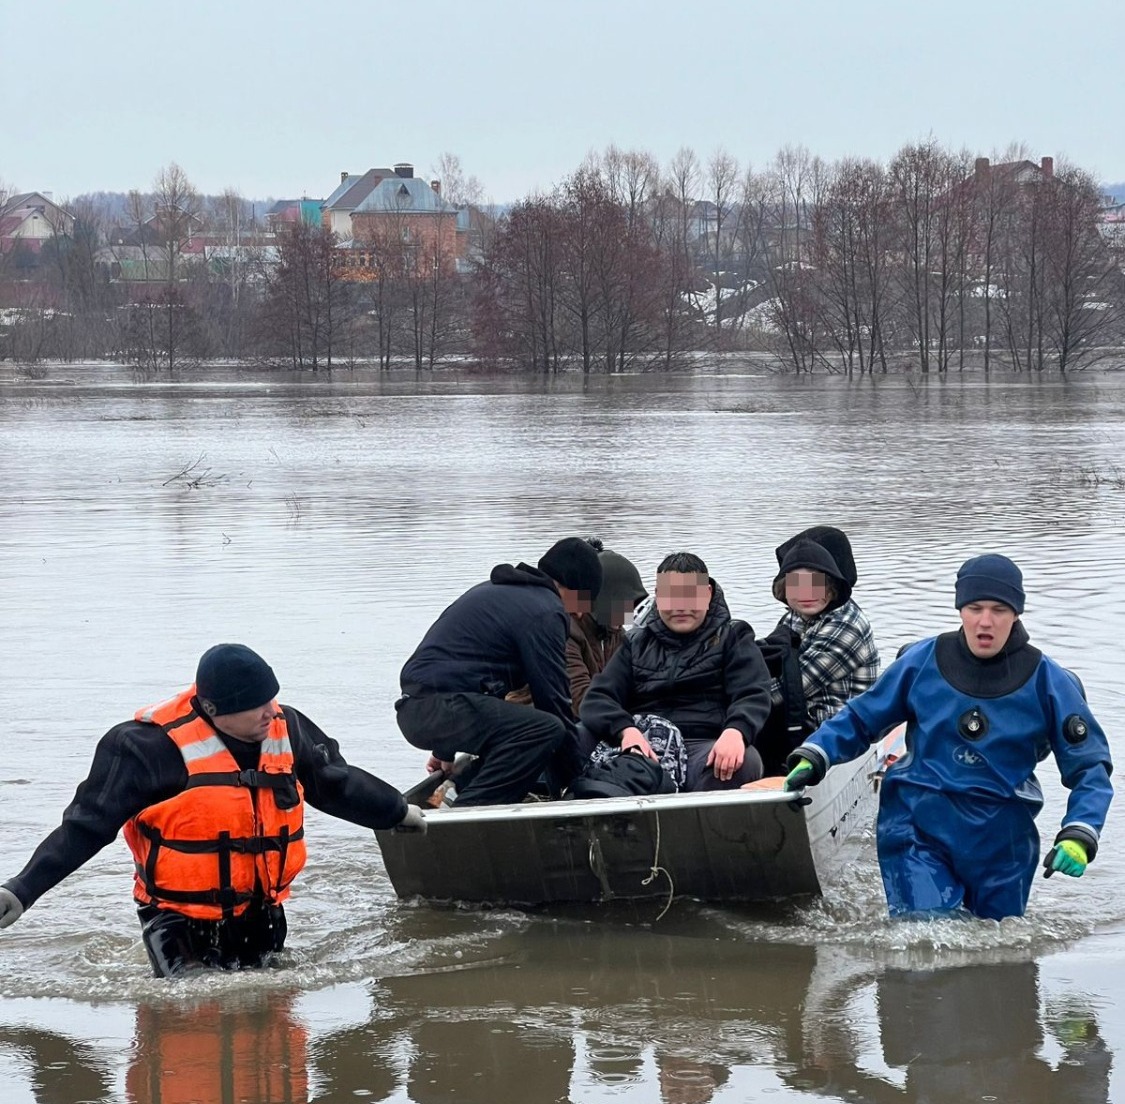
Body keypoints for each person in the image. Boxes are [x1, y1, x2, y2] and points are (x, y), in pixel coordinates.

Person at [0, 643, 422, 978]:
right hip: (177, 922)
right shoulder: (143, 749)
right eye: (257, 705)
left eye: (273, 699)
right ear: (216, 711)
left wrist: (398, 812)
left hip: (263, 913)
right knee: (194, 1006)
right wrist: (22, 890)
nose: (271, 711)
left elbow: (337, 785)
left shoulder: (286, 727)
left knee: (267, 1018)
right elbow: (86, 828)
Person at [784, 554, 1113, 920]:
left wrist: (1080, 832)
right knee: (927, 934)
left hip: (1003, 839)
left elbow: (1090, 768)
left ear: (1017, 613)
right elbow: (861, 718)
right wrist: (816, 754)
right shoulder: (921, 662)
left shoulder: (1050, 682)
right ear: (960, 609)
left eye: (999, 609)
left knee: (997, 954)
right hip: (919, 825)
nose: (985, 622)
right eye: (975, 608)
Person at [395, 537, 603, 806]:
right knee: (546, 729)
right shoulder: (546, 611)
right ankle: (467, 813)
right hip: (441, 710)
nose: (580, 615)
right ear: (573, 589)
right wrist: (578, 780)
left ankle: (456, 791)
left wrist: (444, 749)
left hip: (420, 711)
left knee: (526, 728)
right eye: (585, 603)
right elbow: (554, 703)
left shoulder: (499, 591)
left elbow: (451, 672)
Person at [579, 552, 773, 791]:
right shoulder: (635, 642)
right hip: (645, 744)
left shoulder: (734, 637)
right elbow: (597, 698)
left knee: (744, 760)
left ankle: (701, 822)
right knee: (574, 736)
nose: (680, 607)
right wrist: (626, 731)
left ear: (708, 595)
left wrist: (736, 732)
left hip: (705, 743)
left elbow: (752, 693)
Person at [507, 539, 648, 715]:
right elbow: (580, 700)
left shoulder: (614, 634)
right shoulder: (563, 631)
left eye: (632, 604)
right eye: (623, 604)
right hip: (537, 718)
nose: (627, 613)